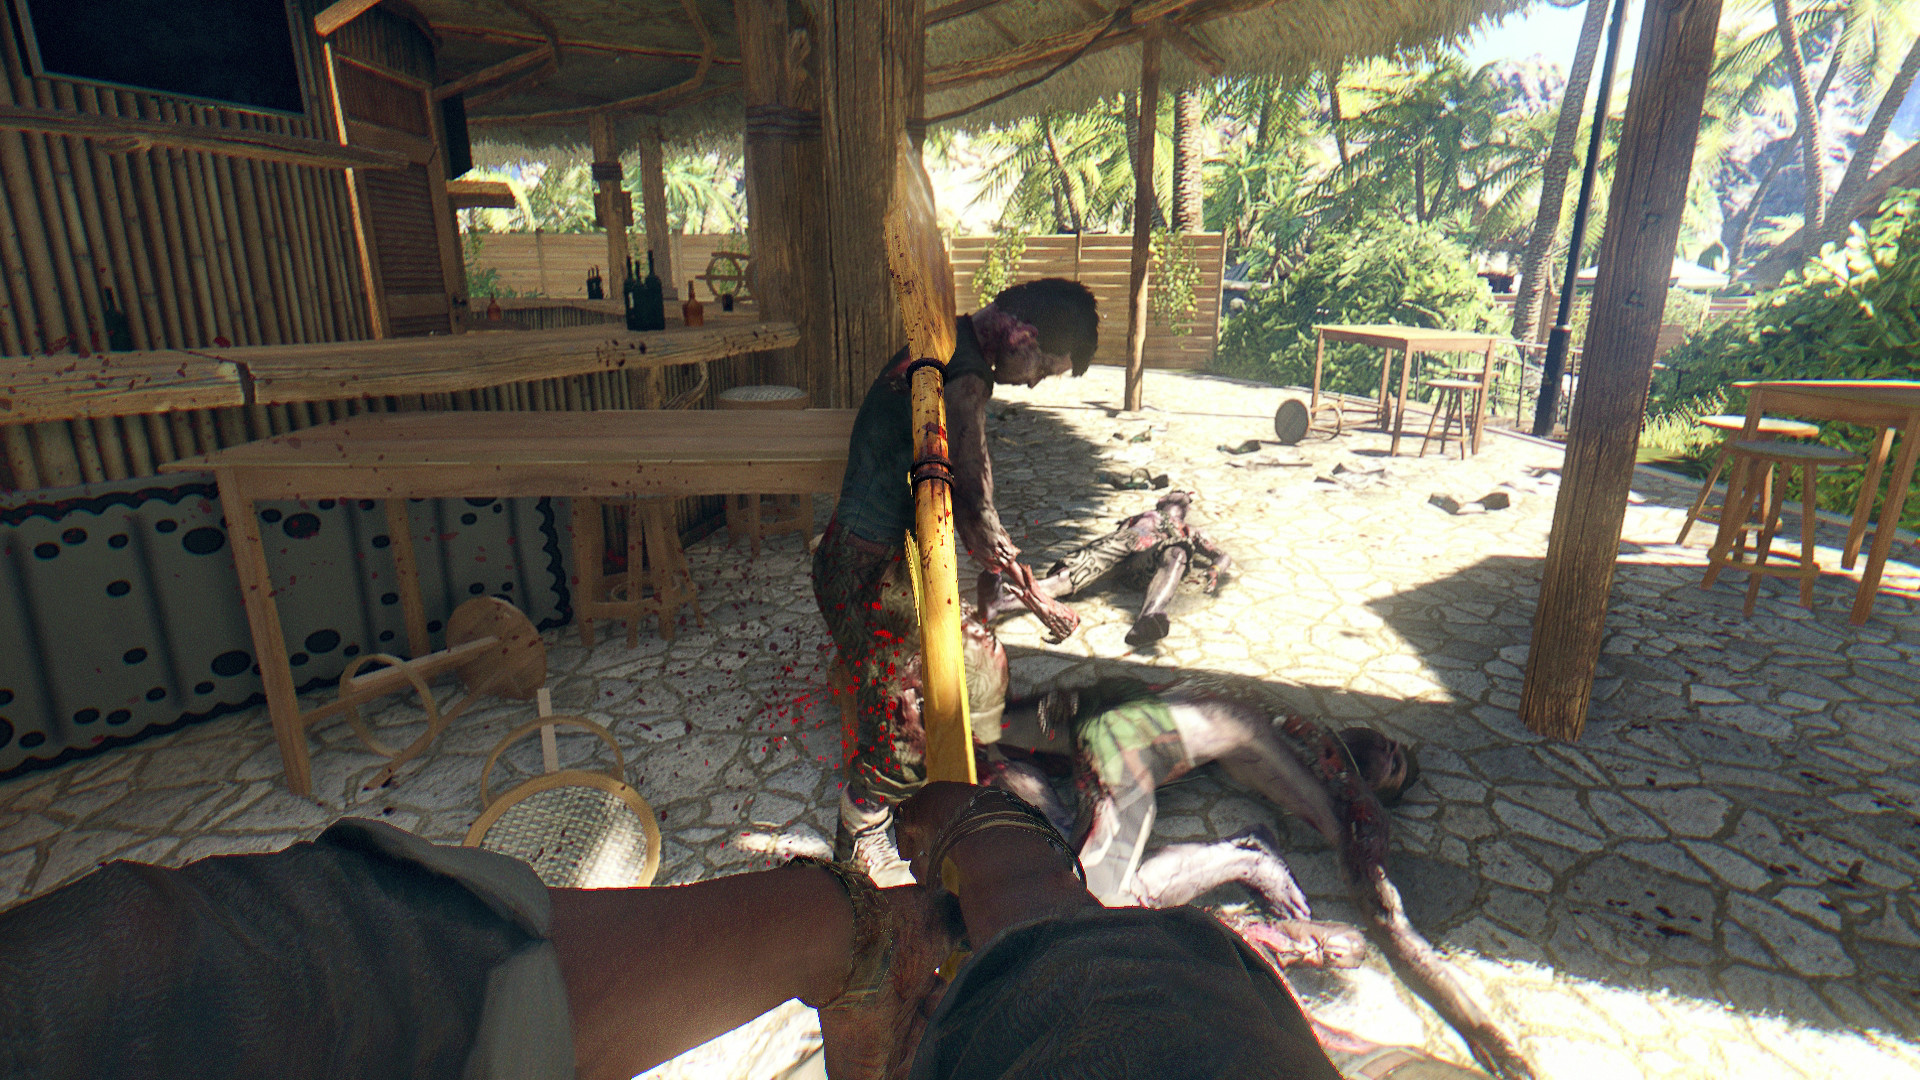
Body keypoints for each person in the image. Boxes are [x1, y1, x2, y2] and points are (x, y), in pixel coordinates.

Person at [814, 278, 1099, 884]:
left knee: (976, 669)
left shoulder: (948, 341)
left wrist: (1011, 583)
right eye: (1043, 368)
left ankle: (936, 784)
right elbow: (977, 510)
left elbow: (971, 516)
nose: (1034, 382)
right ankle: (859, 833)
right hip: (862, 582)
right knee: (924, 721)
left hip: (871, 567)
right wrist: (1039, 598)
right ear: (1023, 337)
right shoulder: (964, 378)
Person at [977, 490, 1233, 647]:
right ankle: (999, 604)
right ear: (1162, 500)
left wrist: (1214, 570)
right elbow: (1117, 536)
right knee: (1070, 577)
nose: (1183, 497)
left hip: (1151, 564)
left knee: (1178, 551)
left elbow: (1222, 556)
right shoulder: (1144, 516)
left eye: (1186, 498)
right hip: (1123, 548)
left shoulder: (1190, 531)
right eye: (1178, 494)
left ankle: (1148, 618)